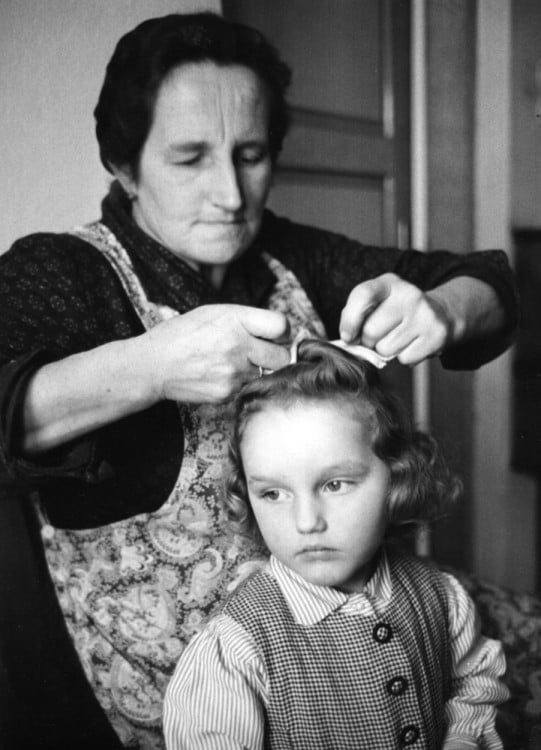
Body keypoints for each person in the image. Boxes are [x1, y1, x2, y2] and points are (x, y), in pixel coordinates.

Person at [0, 11, 516, 750]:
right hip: (198, 700)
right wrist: (147, 366)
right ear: (123, 165)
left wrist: (442, 309)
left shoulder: (291, 257)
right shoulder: (63, 274)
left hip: (362, 625)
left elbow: (486, 282)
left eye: (250, 154)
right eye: (189, 158)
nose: (231, 194)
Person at [163, 338, 509, 750]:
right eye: (273, 493)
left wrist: (462, 739)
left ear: (397, 477)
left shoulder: (440, 595)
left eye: (335, 484)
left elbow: (474, 682)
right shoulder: (236, 649)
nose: (306, 522)